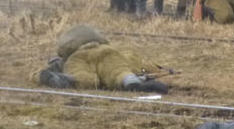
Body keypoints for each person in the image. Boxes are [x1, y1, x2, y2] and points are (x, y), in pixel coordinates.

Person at [32, 25, 173, 94]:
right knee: (118, 72)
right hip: (108, 54)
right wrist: (161, 69)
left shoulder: (66, 59)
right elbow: (140, 63)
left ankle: (65, 80)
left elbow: (42, 71)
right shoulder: (111, 50)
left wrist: (39, 76)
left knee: (83, 78)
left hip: (77, 59)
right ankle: (131, 81)